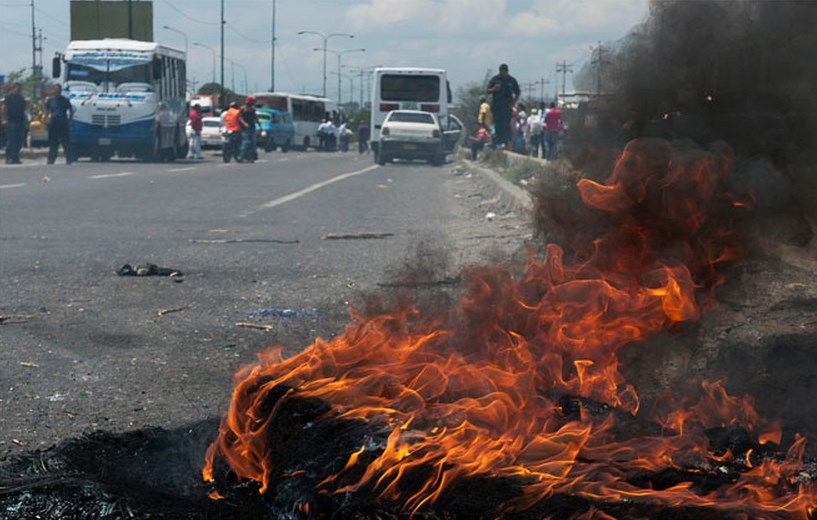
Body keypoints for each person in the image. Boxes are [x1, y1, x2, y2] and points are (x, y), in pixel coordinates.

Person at [486, 63, 519, 149]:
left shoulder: (511, 80)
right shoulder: (495, 79)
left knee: (506, 125)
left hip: (507, 107)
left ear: (507, 71)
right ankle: (498, 142)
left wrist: (514, 102)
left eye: (505, 72)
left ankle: (505, 142)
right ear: (500, 72)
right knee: (498, 125)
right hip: (497, 107)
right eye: (502, 72)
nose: (503, 73)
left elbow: (517, 92)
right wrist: (494, 89)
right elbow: (488, 90)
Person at [44, 84, 73, 165]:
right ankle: (51, 159)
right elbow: (46, 110)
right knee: (53, 142)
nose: (57, 91)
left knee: (66, 142)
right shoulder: (50, 100)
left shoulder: (65, 100)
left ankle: (69, 159)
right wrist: (47, 119)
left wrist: (70, 120)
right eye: (56, 89)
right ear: (53, 90)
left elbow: (71, 111)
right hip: (53, 122)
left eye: (59, 89)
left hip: (63, 122)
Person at [2, 83, 27, 164]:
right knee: (11, 140)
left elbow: (24, 110)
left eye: (20, 89)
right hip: (11, 121)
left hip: (20, 121)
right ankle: (9, 158)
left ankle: (15, 157)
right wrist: (4, 119)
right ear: (13, 88)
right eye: (17, 88)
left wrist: (25, 121)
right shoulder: (8, 97)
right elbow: (4, 109)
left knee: (19, 141)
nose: (19, 90)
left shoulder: (21, 98)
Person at [239, 96, 259, 162]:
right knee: (245, 142)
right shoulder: (243, 109)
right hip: (244, 128)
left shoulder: (253, 109)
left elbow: (255, 117)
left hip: (252, 127)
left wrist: (259, 124)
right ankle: (242, 156)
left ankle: (252, 157)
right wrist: (244, 123)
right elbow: (240, 117)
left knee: (253, 142)